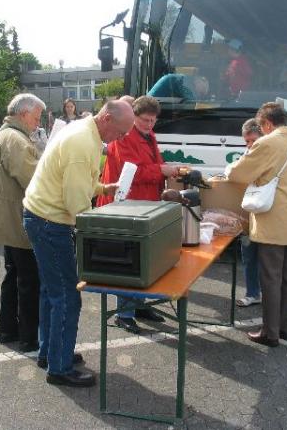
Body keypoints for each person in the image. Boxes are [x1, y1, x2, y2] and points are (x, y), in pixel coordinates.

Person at [23, 100, 134, 387]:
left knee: (51, 291)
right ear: (107, 118)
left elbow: (80, 180)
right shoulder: (83, 141)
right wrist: (102, 231)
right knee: (67, 296)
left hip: (43, 217)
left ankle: (50, 353)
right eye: (121, 132)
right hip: (50, 222)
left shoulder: (88, 134)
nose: (121, 138)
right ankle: (59, 368)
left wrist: (103, 188)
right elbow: (76, 203)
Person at [225, 102, 287, 347]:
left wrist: (231, 168)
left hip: (275, 222)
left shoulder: (267, 143)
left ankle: (270, 333)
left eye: (261, 126)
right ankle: (284, 328)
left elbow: (238, 174)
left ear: (267, 123)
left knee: (271, 278)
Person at [97, 96, 179, 333]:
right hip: (126, 206)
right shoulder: (124, 136)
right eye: (145, 120)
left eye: (153, 121)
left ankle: (139, 306)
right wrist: (162, 170)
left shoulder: (148, 134)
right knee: (129, 261)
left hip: (145, 202)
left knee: (144, 258)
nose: (149, 125)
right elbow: (132, 172)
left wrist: (164, 170)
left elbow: (153, 163)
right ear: (134, 117)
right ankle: (124, 314)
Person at [0, 93, 46, 353]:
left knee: (14, 276)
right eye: (36, 117)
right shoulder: (15, 139)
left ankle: (8, 329)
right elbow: (34, 181)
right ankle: (29, 337)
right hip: (18, 220)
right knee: (28, 280)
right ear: (24, 114)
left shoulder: (8, 135)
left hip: (9, 219)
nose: (38, 123)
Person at [235, 118, 263, 307]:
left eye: (254, 140)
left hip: (266, 214)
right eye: (247, 141)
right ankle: (253, 293)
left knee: (268, 259)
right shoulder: (247, 155)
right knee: (249, 254)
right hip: (249, 213)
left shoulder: (270, 154)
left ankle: (270, 296)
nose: (250, 144)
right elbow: (235, 173)